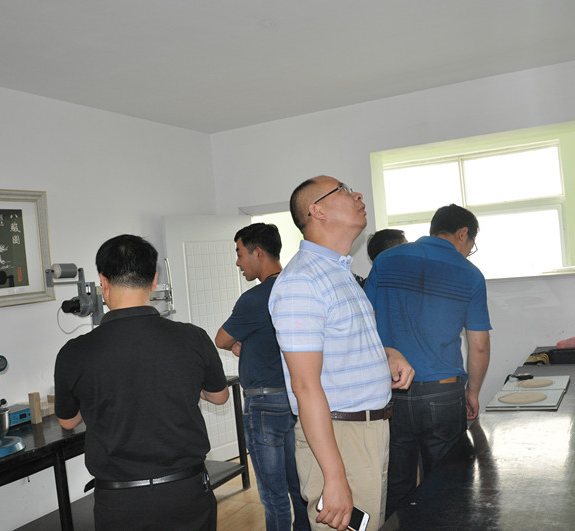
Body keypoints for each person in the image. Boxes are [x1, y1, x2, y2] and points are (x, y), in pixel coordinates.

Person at [268, 175, 415, 531]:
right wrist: (333, 478)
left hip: (365, 431)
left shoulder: (338, 272)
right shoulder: (303, 280)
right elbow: (305, 386)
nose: (357, 194)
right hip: (339, 437)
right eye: (345, 190)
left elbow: (339, 344)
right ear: (317, 211)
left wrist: (387, 354)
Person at [54, 234, 228, 531]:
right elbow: (220, 396)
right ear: (154, 279)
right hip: (185, 491)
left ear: (103, 282)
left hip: (120, 501)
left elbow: (68, 421)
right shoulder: (192, 337)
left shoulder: (75, 352)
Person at [364, 204, 491, 518]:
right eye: (471, 245)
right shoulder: (470, 274)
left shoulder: (385, 260)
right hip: (443, 393)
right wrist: (473, 393)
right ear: (462, 233)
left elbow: (364, 324)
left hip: (391, 390)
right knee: (446, 485)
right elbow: (478, 347)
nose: (469, 251)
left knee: (397, 484)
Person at [215, 223, 310, 531]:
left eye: (240, 253)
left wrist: (240, 343)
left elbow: (221, 339)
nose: (238, 262)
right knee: (300, 487)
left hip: (264, 405)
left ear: (258, 253)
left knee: (273, 495)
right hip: (298, 401)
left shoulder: (254, 299)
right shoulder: (297, 289)